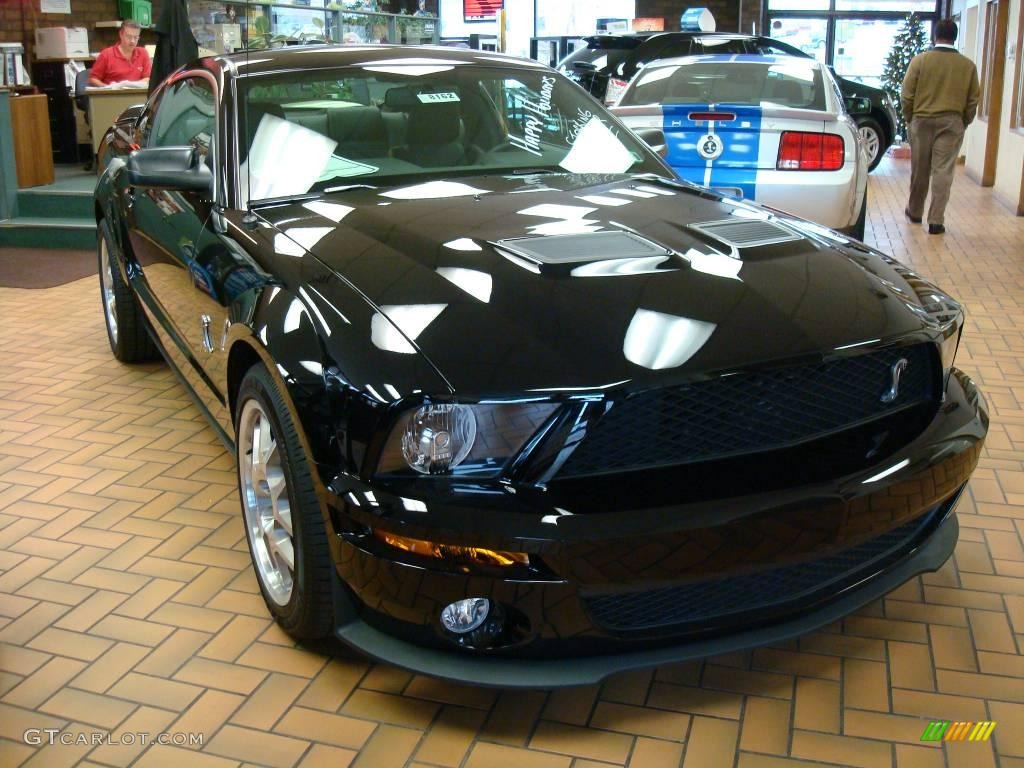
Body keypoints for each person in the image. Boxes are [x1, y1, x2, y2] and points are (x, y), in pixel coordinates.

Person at [900, 18, 980, 235]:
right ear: (955, 37)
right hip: (951, 122)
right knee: (943, 171)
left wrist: (910, 117)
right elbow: (973, 99)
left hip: (922, 121)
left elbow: (907, 94)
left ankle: (915, 212)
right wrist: (963, 120)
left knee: (920, 169)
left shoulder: (920, 61)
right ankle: (936, 221)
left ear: (935, 36)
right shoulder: (968, 66)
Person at [88, 20, 152, 86]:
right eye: (129, 37)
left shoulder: (143, 53)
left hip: (137, 95)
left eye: (136, 37)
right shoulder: (106, 54)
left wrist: (133, 85)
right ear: (121, 34)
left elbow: (148, 78)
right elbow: (93, 79)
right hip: (113, 95)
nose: (132, 41)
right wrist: (108, 89)